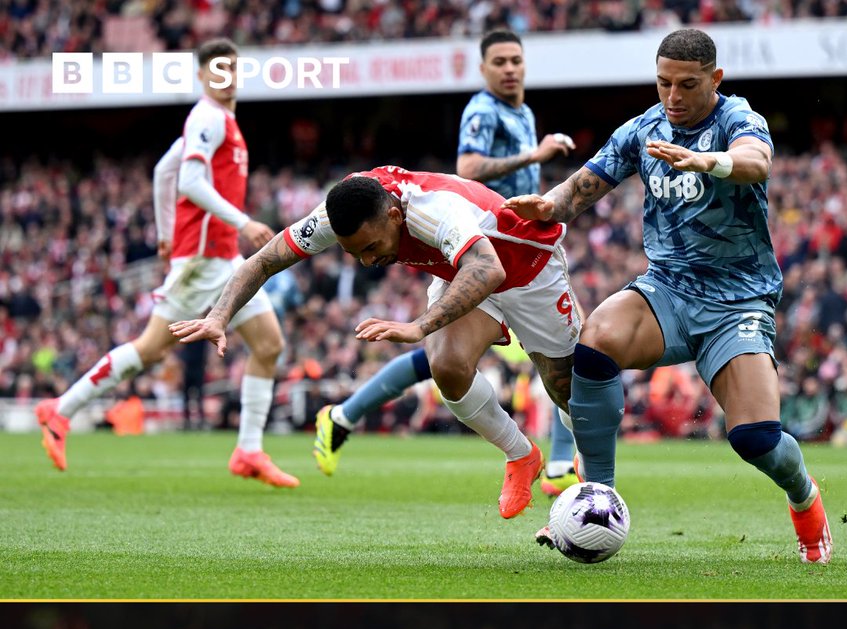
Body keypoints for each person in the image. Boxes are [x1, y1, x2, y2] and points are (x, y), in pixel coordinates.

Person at [505, 29, 834, 564]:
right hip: (669, 290)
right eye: (663, 83)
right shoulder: (643, 129)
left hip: (738, 303)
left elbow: (756, 161)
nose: (673, 96)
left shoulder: (737, 119)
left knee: (754, 438)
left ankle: (805, 498)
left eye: (687, 84)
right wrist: (548, 206)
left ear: (715, 80)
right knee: (596, 340)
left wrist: (709, 162)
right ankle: (598, 496)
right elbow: (583, 186)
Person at [171, 165, 582, 520]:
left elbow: (488, 268)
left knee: (568, 392)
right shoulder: (341, 214)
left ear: (394, 214)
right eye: (355, 254)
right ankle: (521, 455)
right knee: (448, 366)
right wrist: (219, 316)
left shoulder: (434, 210)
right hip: (463, 266)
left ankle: (594, 482)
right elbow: (262, 260)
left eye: (371, 247)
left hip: (527, 267)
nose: (367, 261)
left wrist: (419, 326)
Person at [312, 29, 579, 497]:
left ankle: (344, 415)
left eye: (516, 59)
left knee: (554, 369)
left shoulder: (523, 111)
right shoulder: (482, 109)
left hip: (520, 249)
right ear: (483, 69)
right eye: (499, 61)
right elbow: (469, 168)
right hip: (476, 243)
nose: (510, 68)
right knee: (443, 358)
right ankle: (551, 463)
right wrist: (534, 155)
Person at [36, 40, 298, 488]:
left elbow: (164, 171)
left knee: (269, 344)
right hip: (202, 259)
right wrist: (243, 221)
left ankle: (248, 451)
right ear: (201, 76)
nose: (227, 77)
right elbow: (190, 180)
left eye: (232, 68)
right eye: (217, 70)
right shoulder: (208, 116)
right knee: (150, 349)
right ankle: (59, 410)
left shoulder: (221, 121)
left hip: (218, 256)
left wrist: (162, 234)